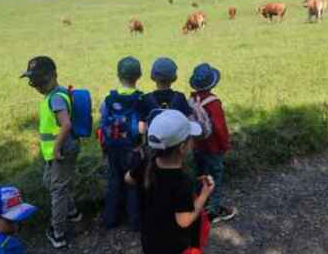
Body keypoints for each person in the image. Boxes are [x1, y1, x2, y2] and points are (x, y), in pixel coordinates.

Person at [126, 110, 214, 254]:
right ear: (182, 148)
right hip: (174, 245)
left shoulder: (146, 164)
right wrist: (204, 195)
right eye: (190, 138)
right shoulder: (182, 182)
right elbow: (184, 221)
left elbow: (128, 179)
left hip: (150, 238)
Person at [20, 56, 82, 249]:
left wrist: (55, 148)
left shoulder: (56, 98)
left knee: (57, 191)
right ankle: (72, 212)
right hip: (55, 152)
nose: (37, 85)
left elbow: (66, 124)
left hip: (60, 152)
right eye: (33, 82)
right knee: (52, 183)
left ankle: (58, 234)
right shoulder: (56, 94)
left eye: (40, 81)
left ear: (53, 76)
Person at [99, 56, 144, 230]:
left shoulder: (108, 99)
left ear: (118, 75)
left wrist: (104, 146)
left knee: (114, 181)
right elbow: (143, 127)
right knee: (132, 182)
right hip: (133, 149)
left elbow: (103, 124)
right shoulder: (141, 99)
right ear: (139, 75)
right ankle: (135, 222)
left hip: (112, 148)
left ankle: (110, 219)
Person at [189, 63, 236, 223]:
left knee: (199, 175)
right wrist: (225, 145)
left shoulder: (193, 98)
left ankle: (197, 206)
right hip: (213, 148)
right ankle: (213, 211)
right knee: (214, 178)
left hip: (197, 146)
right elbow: (220, 128)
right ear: (212, 83)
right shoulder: (213, 103)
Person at [139, 57, 192, 125]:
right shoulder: (180, 98)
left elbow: (141, 126)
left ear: (153, 76)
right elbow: (189, 122)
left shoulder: (146, 99)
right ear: (173, 77)